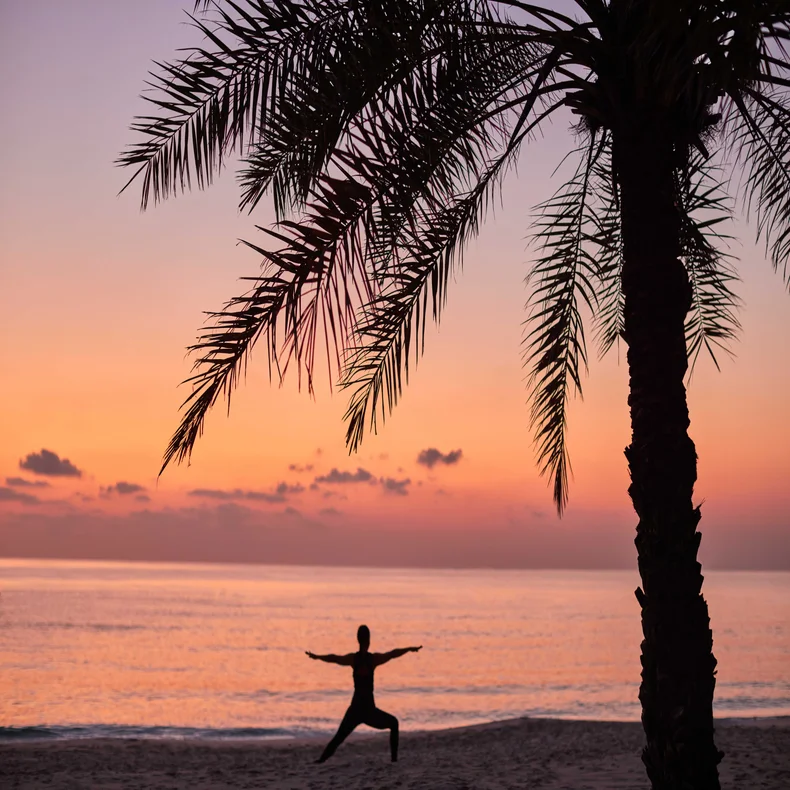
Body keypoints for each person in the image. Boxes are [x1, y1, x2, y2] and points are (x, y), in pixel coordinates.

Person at [306, 625, 422, 763]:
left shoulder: (353, 659)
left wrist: (317, 657)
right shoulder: (373, 659)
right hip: (367, 711)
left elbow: (334, 658)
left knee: (339, 737)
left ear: (358, 640)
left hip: (356, 709)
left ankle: (321, 760)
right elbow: (392, 654)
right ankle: (394, 761)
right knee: (394, 723)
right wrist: (409, 649)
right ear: (369, 641)